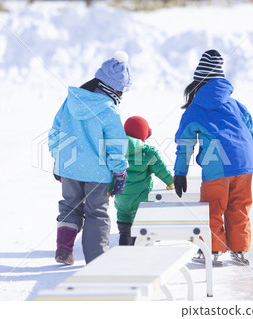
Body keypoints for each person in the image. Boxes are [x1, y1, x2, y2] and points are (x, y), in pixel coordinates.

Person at [48, 51, 132, 265]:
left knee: (69, 207)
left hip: (69, 169)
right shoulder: (109, 111)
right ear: (114, 88)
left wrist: (59, 160)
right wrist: (120, 171)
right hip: (98, 174)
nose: (121, 96)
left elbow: (55, 133)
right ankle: (96, 261)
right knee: (96, 213)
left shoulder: (71, 101)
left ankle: (64, 250)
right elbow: (115, 145)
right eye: (122, 91)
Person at [173, 49, 253, 265]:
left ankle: (212, 250)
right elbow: (250, 130)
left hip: (217, 165)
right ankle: (240, 250)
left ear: (198, 82)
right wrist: (242, 152)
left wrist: (180, 172)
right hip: (245, 163)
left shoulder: (194, 109)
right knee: (239, 206)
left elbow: (185, 144)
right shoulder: (236, 104)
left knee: (212, 207)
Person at [112, 116, 174, 246]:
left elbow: (109, 171)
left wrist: (108, 189)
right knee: (140, 224)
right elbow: (161, 170)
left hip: (121, 197)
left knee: (124, 218)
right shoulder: (147, 152)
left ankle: (124, 242)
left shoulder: (116, 150)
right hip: (141, 198)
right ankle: (138, 246)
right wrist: (170, 182)